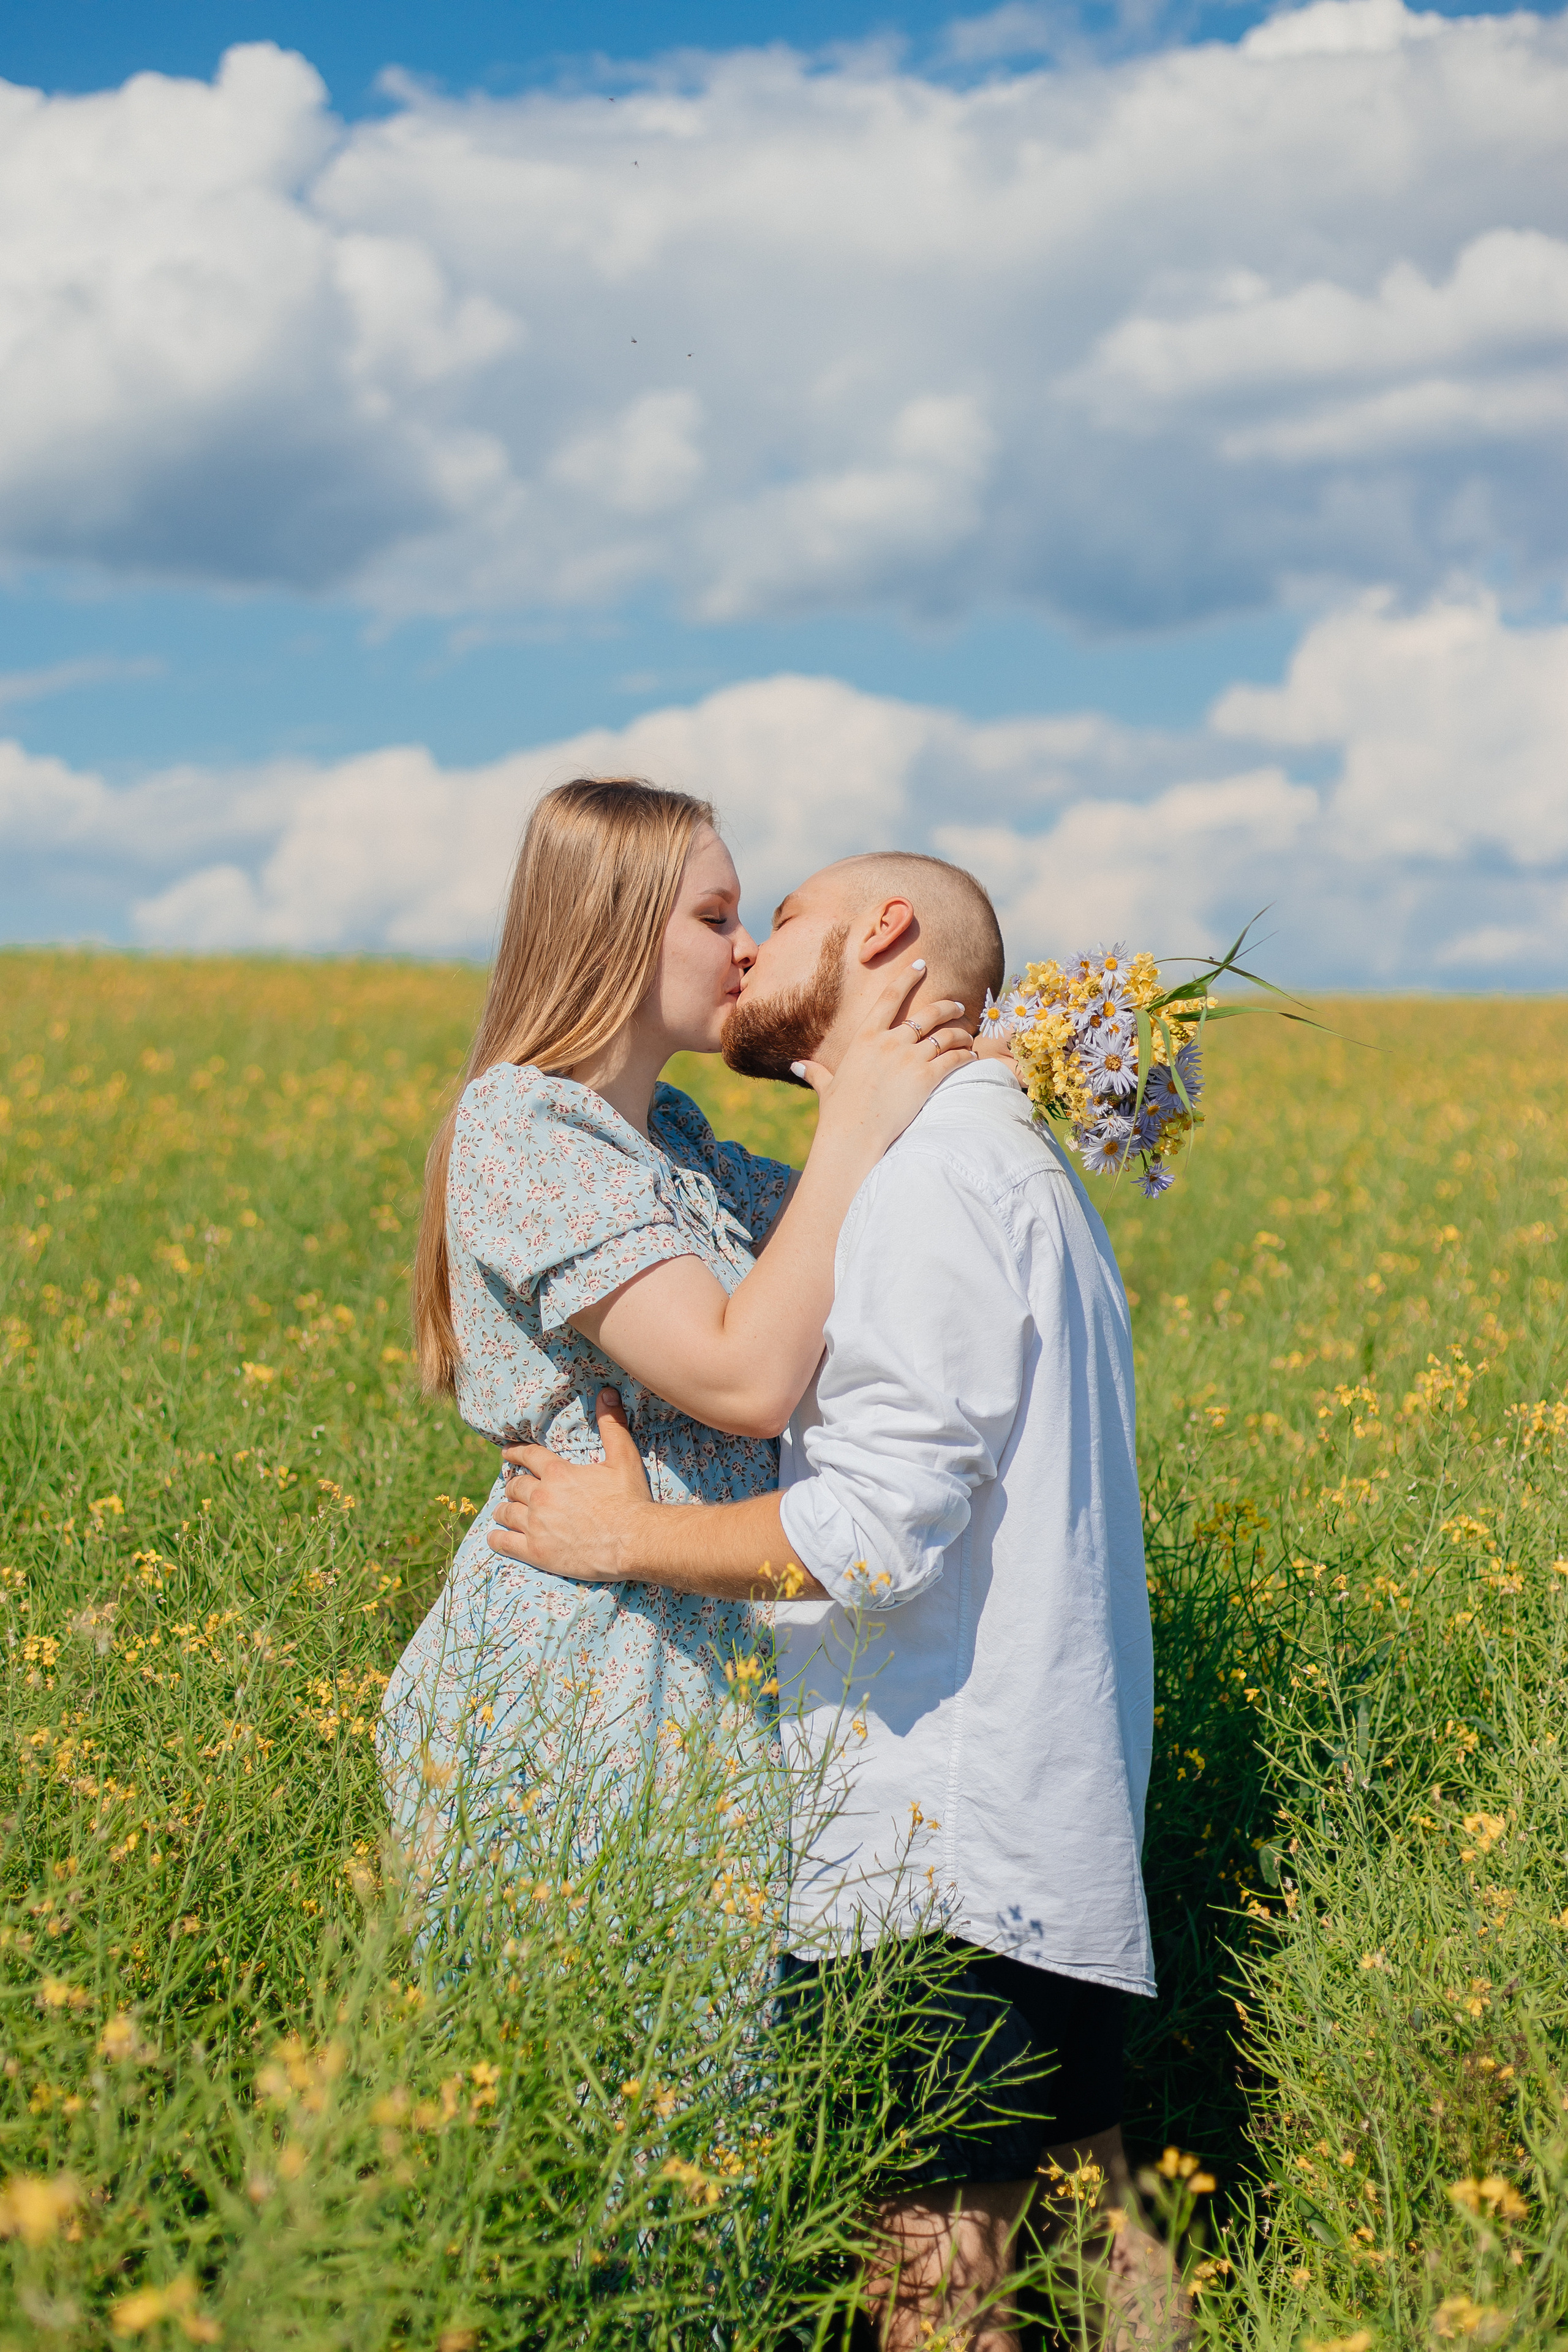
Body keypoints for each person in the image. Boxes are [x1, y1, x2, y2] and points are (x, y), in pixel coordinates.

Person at [486, 849, 1167, 2352]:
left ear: (879, 933)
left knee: (932, 2300)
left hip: (932, 1854)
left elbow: (872, 1532)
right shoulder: (1001, 1164)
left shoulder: (931, 1184)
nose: (743, 957)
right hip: (1034, 1830)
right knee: (1114, 2271)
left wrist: (628, 1539)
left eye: (772, 917)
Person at [379, 778, 975, 1887]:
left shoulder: (678, 1142)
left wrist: (986, 1061)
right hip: (581, 1683)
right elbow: (742, 1377)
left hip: (708, 1668)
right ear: (610, 930)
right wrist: (854, 1114)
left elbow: (863, 1228)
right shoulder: (520, 1126)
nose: (747, 951)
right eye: (715, 919)